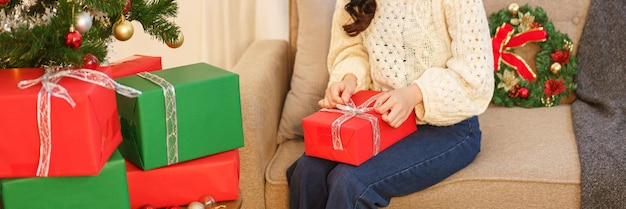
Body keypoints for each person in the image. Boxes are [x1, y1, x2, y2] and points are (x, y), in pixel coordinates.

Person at [286, 0, 494, 208]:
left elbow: (476, 78)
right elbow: (352, 50)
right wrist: (348, 79)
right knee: (307, 170)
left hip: (448, 127)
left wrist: (414, 94)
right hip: (381, 119)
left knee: (348, 181)